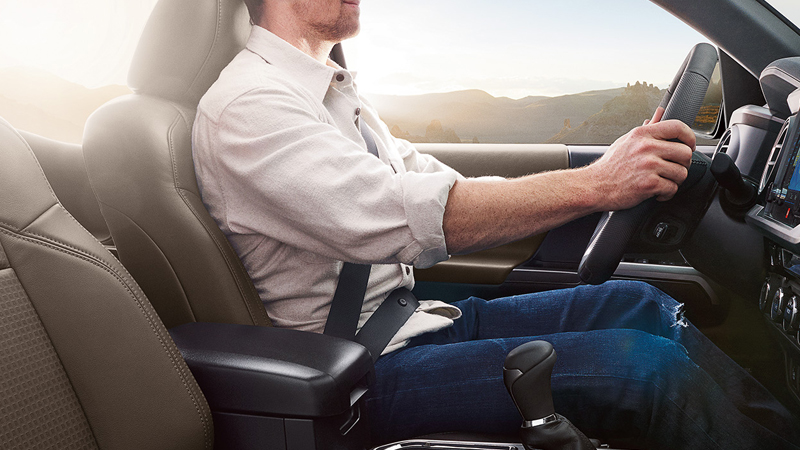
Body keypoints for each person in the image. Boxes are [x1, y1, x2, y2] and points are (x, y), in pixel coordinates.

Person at [191, 0, 800, 448]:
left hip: (413, 323)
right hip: (358, 371)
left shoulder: (329, 93)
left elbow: (441, 184)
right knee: (647, 369)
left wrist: (605, 177)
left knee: (640, 302)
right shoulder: (250, 105)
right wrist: (600, 182)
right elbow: (396, 215)